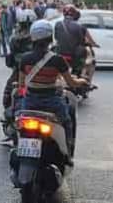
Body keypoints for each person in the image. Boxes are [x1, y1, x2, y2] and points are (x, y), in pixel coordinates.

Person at [18, 20, 88, 154]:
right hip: (52, 102)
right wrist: (82, 82)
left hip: (30, 102)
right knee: (67, 122)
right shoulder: (58, 60)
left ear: (32, 38)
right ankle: (68, 151)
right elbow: (71, 83)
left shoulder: (25, 59)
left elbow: (21, 83)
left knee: (20, 124)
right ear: (50, 38)